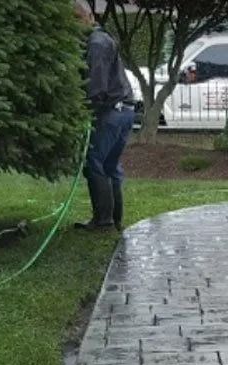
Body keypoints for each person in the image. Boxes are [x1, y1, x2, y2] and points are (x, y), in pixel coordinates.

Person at [74, 2, 137, 231]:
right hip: (124, 109)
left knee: (94, 162)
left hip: (111, 112)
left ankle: (103, 221)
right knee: (110, 165)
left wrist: (85, 109)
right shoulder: (102, 39)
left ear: (88, 17)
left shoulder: (97, 44)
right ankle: (114, 219)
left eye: (76, 20)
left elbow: (97, 86)